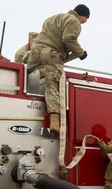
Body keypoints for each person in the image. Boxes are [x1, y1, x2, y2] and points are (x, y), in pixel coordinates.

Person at [27, 4, 90, 136]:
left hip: (35, 53)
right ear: (82, 15)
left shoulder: (51, 18)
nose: (85, 22)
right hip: (51, 54)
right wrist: (81, 53)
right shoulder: (74, 21)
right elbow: (68, 38)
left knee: (28, 75)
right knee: (53, 84)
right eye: (86, 19)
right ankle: (54, 121)